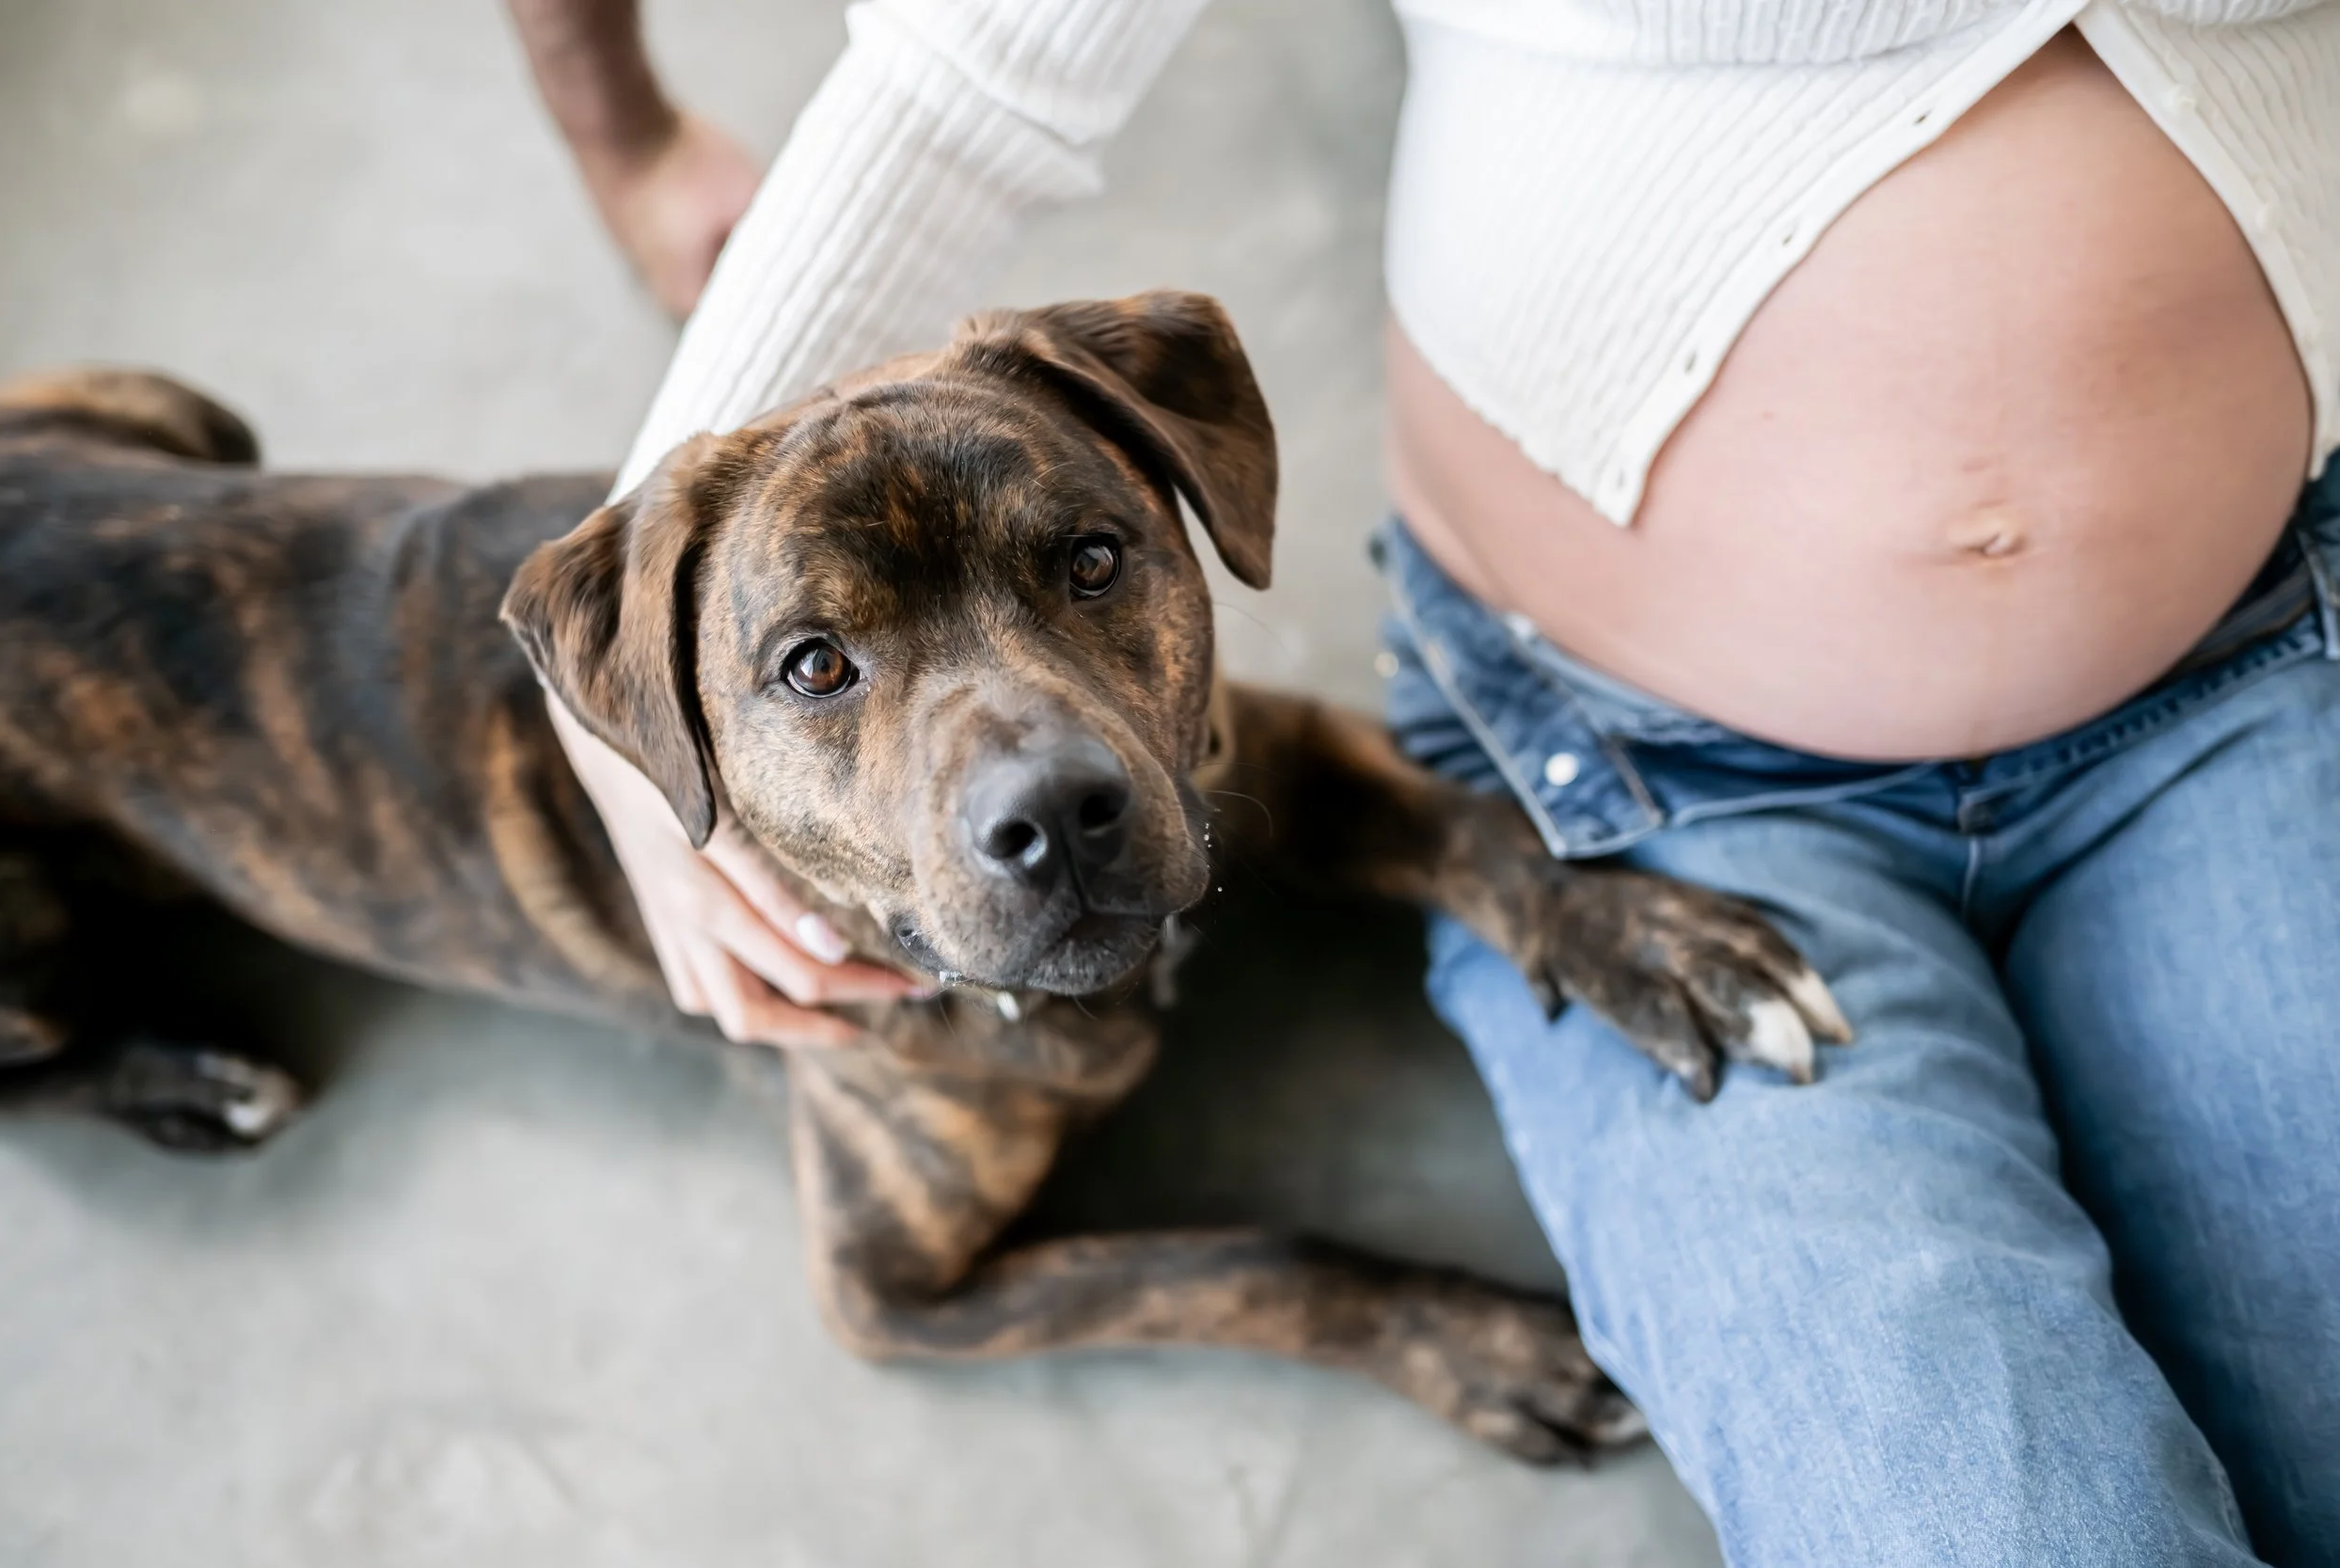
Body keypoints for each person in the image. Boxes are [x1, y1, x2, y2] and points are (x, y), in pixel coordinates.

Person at [506, 1, 2340, 1561]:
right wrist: (620, 746)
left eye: (1082, 569)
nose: (1024, 756)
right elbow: (967, 72)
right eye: (823, 667)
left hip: (2248, 649)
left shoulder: (1200, 727)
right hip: (1622, 751)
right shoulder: (713, 708)